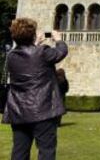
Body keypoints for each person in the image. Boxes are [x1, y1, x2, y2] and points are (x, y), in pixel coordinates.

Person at [2, 18, 68, 160]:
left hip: (19, 111)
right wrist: (58, 40)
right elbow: (61, 52)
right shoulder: (43, 52)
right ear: (32, 35)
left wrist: (35, 43)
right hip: (42, 110)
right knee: (46, 151)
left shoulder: (11, 56)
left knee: (19, 152)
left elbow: (28, 57)